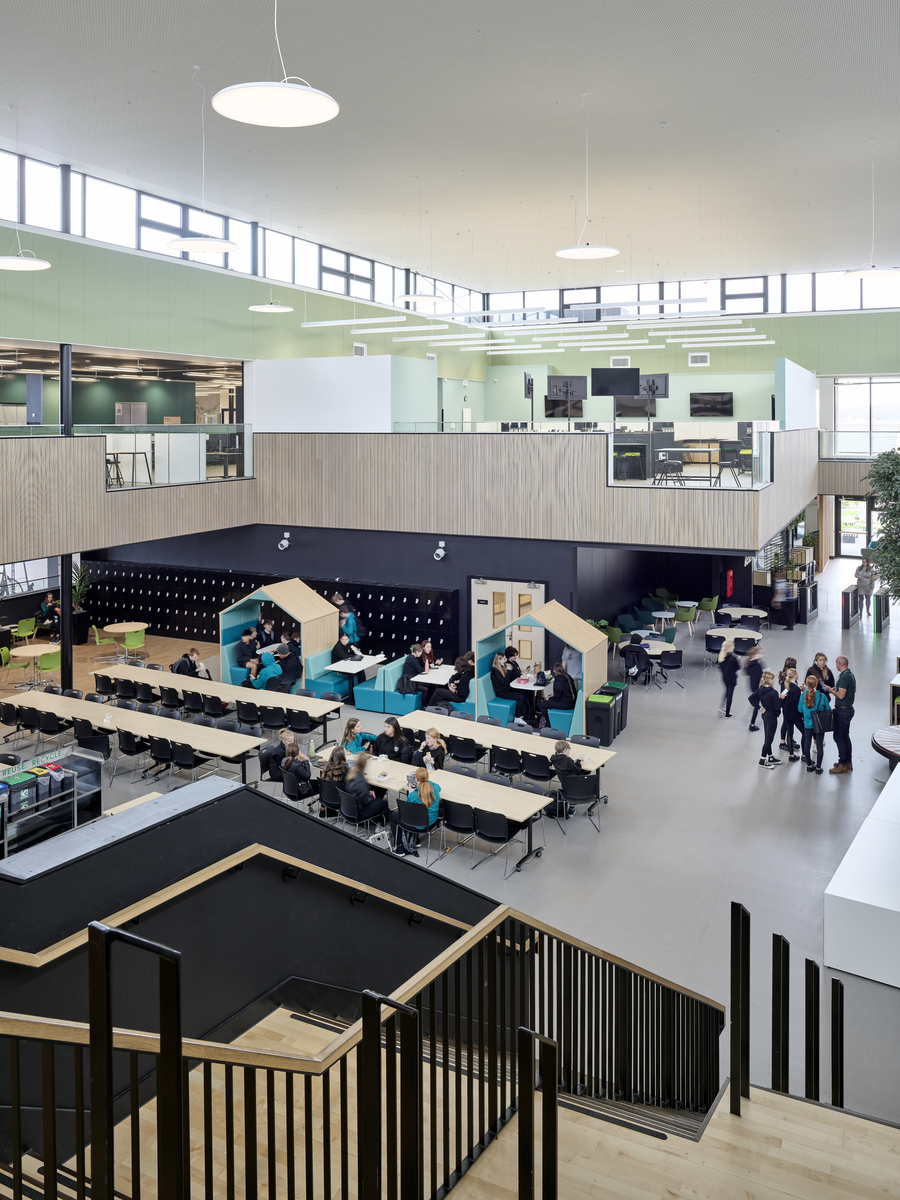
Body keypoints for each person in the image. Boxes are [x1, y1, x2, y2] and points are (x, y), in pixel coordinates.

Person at [390, 766, 441, 856]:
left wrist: (410, 793)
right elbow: (438, 787)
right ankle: (416, 840)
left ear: (416, 779)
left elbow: (407, 811)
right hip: (431, 821)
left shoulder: (413, 795)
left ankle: (399, 848)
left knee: (393, 816)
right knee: (419, 813)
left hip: (418, 825)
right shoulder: (435, 788)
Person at [748, 669, 782, 768]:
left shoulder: (760, 689)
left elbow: (751, 699)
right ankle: (762, 760)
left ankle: (770, 756)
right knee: (769, 739)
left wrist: (759, 708)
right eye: (773, 679)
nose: (774, 681)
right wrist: (781, 699)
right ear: (769, 680)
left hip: (765, 715)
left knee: (768, 737)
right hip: (772, 717)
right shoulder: (774, 693)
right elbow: (777, 707)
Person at [828, 654, 856, 774]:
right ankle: (848, 762)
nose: (836, 665)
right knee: (845, 736)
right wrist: (838, 689)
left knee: (838, 736)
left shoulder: (844, 677)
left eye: (836, 663)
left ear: (839, 664)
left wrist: (831, 690)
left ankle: (842, 764)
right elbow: (853, 689)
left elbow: (840, 695)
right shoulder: (850, 675)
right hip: (848, 710)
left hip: (842, 711)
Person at [547, 739, 589, 818]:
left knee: (570, 785)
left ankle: (571, 808)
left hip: (564, 783)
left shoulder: (554, 759)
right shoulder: (568, 760)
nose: (569, 752)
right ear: (565, 749)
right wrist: (578, 761)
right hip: (575, 784)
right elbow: (578, 771)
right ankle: (572, 807)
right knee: (586, 772)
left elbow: (563, 763)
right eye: (569, 750)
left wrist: (571, 762)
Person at [344, 752, 389, 824]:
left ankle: (377, 817)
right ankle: (382, 825)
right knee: (384, 802)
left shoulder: (350, 775)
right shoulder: (362, 781)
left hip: (348, 810)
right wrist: (371, 797)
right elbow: (366, 801)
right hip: (359, 812)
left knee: (378, 797)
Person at [800, 673, 831, 774]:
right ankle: (818, 768)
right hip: (819, 724)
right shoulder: (822, 696)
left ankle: (809, 765)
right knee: (819, 745)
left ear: (806, 684)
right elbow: (828, 709)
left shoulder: (803, 695)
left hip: (807, 724)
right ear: (816, 684)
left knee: (807, 744)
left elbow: (799, 709)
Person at [539, 662, 578, 728]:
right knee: (549, 699)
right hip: (572, 702)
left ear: (554, 671)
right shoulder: (568, 677)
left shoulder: (557, 681)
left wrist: (550, 698)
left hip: (566, 704)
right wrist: (553, 697)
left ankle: (549, 724)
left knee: (541, 704)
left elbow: (557, 698)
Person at [491, 652, 528, 719]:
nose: (505, 661)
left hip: (507, 689)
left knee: (524, 692)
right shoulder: (495, 670)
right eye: (504, 659)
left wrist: (520, 675)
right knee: (521, 697)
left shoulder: (502, 667)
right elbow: (504, 681)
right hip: (501, 692)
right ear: (499, 660)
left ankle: (525, 715)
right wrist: (509, 670)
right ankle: (517, 717)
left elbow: (510, 677)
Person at [779, 668, 803, 762]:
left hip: (786, 713)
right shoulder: (796, 689)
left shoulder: (785, 686)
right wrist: (802, 715)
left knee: (789, 733)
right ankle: (804, 754)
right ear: (795, 676)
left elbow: (782, 698)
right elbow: (797, 703)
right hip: (795, 714)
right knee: (804, 732)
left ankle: (791, 755)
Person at [777, 658, 798, 748]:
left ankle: (791, 739)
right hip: (787, 704)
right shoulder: (786, 678)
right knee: (786, 723)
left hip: (787, 703)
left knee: (789, 722)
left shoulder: (786, 676)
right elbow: (785, 691)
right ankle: (782, 742)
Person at [717, 641, 740, 717]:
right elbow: (738, 667)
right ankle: (727, 713)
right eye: (733, 646)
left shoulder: (721, 657)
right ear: (729, 647)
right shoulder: (733, 658)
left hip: (724, 677)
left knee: (727, 691)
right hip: (732, 679)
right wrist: (738, 660)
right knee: (730, 695)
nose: (734, 648)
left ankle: (722, 707)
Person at [745, 646, 764, 731]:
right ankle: (752, 724)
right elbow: (760, 677)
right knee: (756, 705)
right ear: (755, 655)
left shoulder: (749, 663)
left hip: (752, 686)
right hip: (757, 687)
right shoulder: (757, 665)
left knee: (756, 702)